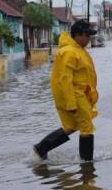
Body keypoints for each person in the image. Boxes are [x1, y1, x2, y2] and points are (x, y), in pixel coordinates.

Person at [33, 19, 99, 161]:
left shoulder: (77, 50)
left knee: (72, 126)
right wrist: (71, 103)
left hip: (79, 94)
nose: (88, 39)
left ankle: (42, 148)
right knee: (86, 128)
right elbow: (64, 79)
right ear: (78, 35)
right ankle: (87, 165)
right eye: (86, 36)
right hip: (75, 95)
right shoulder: (69, 52)